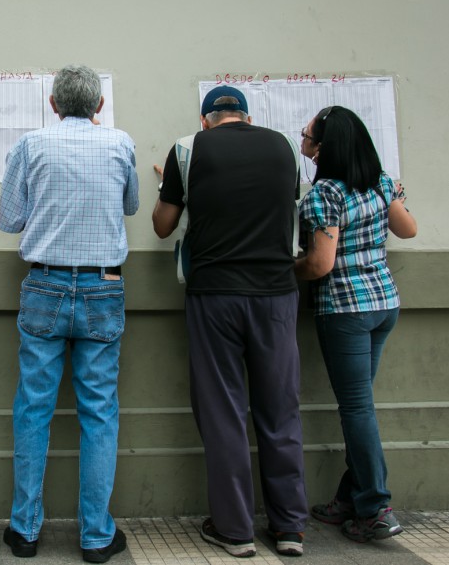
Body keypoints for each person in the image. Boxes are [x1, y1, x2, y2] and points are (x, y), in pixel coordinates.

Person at [152, 86, 308, 558]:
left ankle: (235, 529)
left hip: (215, 294)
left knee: (223, 411)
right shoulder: (283, 147)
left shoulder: (187, 149)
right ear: (246, 117)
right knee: (280, 409)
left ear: (205, 120)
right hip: (277, 294)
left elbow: (163, 225)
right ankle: (289, 528)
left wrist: (173, 186)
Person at [0, 64, 138, 563]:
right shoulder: (121, 143)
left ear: (53, 104)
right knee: (99, 412)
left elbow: (10, 219)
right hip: (103, 285)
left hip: (45, 282)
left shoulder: (30, 145)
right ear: (98, 106)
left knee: (34, 406)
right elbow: (131, 205)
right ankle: (97, 537)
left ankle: (25, 531)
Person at [295, 106, 417, 543]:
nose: (303, 142)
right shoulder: (382, 183)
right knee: (361, 406)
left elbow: (320, 265)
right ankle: (349, 499)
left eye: (307, 135)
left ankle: (375, 508)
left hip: (346, 310)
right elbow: (408, 230)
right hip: (385, 304)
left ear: (324, 148)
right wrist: (395, 197)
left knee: (357, 410)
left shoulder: (325, 193)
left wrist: (289, 269)